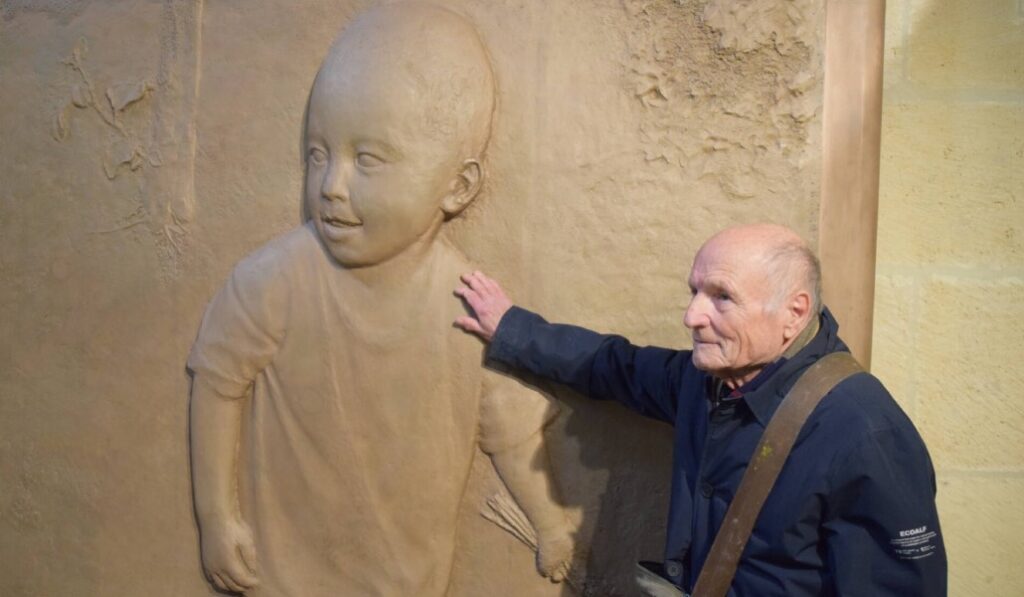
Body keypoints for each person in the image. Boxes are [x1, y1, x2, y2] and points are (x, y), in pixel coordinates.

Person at [187, 5, 572, 596]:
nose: (331, 186)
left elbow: (512, 436)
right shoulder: (272, 281)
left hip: (407, 580)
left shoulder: (467, 305)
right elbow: (217, 383)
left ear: (458, 185)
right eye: (318, 154)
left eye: (367, 160)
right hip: (288, 577)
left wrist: (550, 525)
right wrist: (217, 518)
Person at [454, 223, 947, 596]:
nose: (692, 316)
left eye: (722, 297)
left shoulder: (865, 433)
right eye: (694, 291)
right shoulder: (708, 381)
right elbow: (614, 366)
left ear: (794, 313)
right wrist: (511, 328)